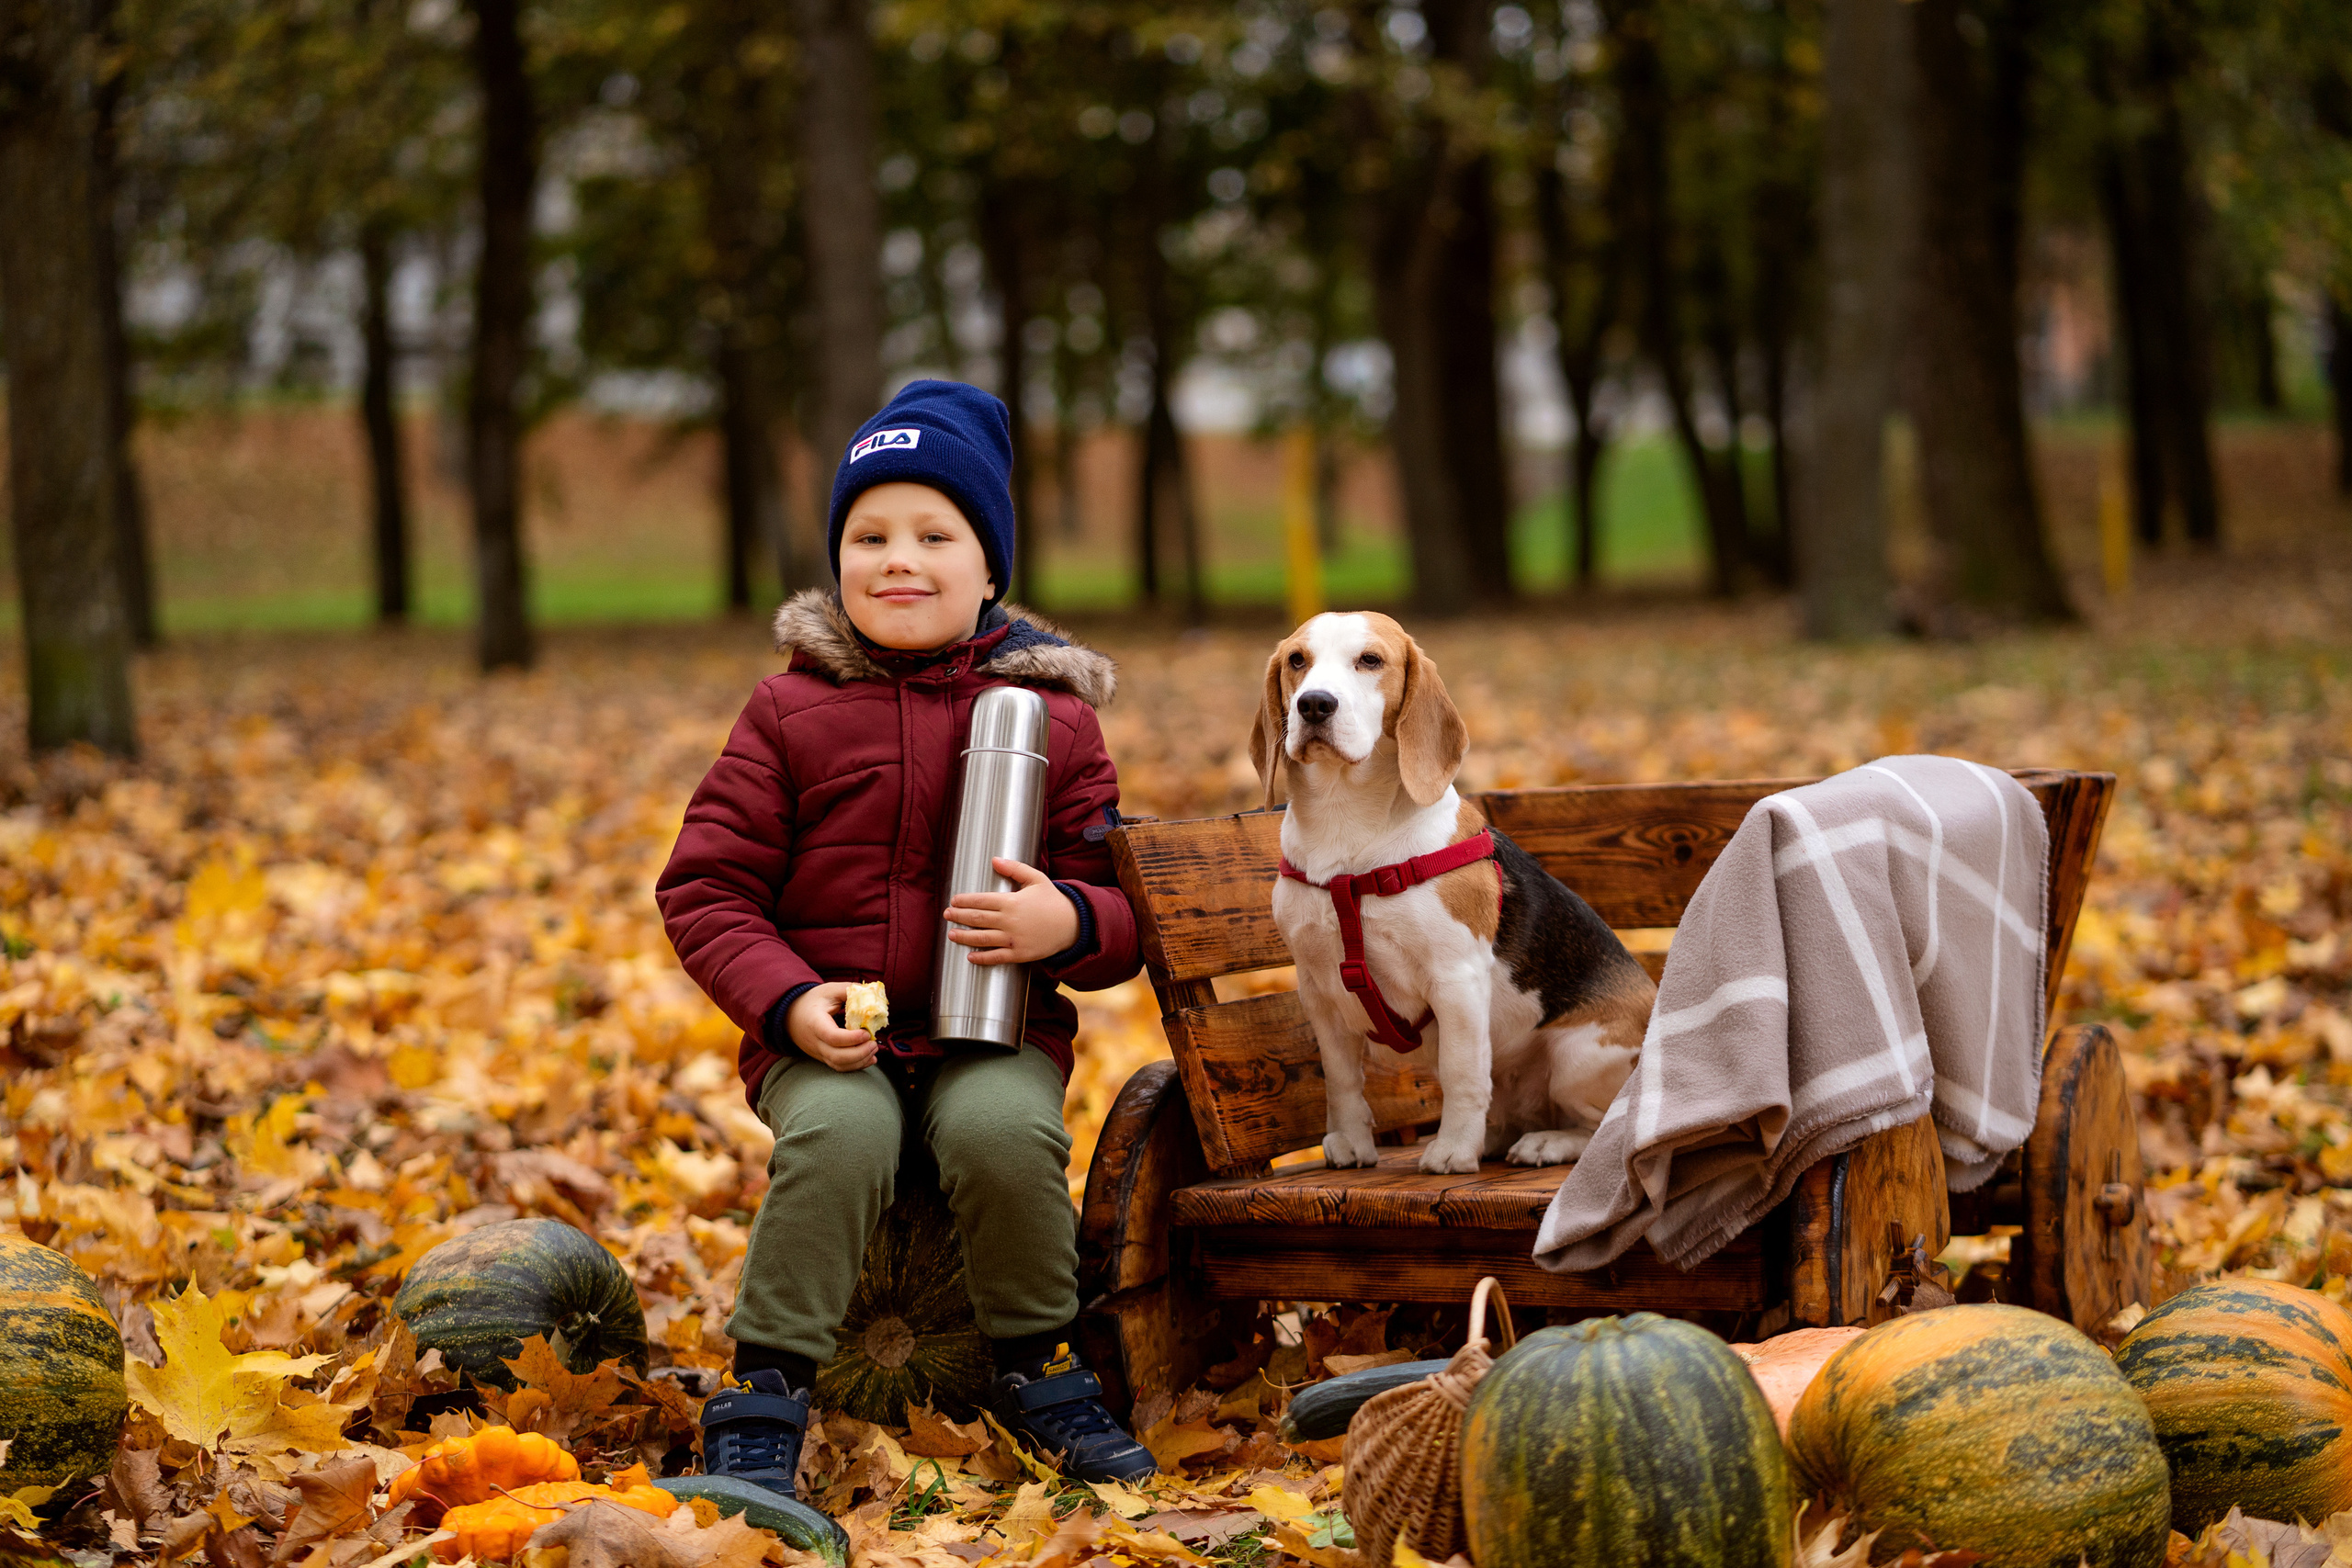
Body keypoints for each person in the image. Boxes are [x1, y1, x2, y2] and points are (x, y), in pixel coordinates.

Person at [656, 380, 1155, 1498]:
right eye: (869, 535)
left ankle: (1039, 1363)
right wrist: (787, 1004)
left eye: (937, 535)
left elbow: (1121, 911)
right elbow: (706, 887)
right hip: (831, 1033)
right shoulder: (788, 712)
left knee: (1000, 1135)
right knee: (836, 1135)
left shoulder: (1056, 721)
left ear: (991, 570)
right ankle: (769, 1385)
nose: (900, 560)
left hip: (995, 1030)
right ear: (836, 560)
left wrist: (1063, 921)